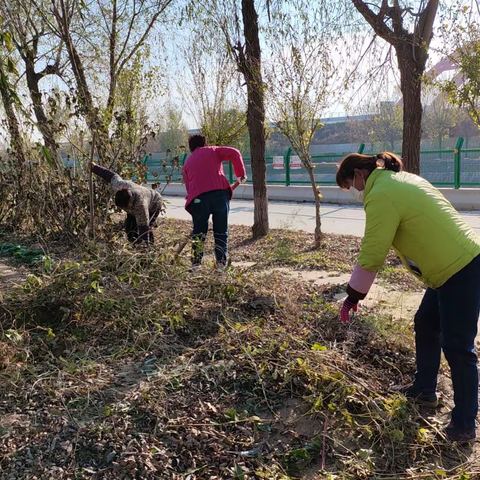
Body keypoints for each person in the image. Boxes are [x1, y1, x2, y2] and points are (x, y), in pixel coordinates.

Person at [336, 151, 480, 443]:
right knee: (426, 323)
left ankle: (465, 424)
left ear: (360, 174)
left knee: (457, 347)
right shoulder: (400, 180)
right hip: (450, 266)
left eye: (352, 184)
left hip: (459, 268)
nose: (355, 191)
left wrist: (353, 296)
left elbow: (373, 251)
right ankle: (425, 389)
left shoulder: (381, 194)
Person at [182, 134, 246, 269]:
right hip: (219, 195)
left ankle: (196, 264)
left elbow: (189, 188)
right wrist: (240, 174)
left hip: (199, 200)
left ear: (191, 147)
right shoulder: (213, 150)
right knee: (221, 230)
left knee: (199, 232)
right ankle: (221, 264)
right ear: (204, 143)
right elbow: (235, 153)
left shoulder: (187, 163)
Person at [88, 161, 165, 245]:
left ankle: (148, 249)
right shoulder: (119, 186)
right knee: (130, 228)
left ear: (129, 204)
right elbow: (110, 176)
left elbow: (144, 229)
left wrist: (143, 246)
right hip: (138, 201)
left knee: (146, 228)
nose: (123, 209)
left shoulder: (140, 206)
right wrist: (94, 168)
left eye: (124, 207)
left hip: (154, 203)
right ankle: (134, 245)